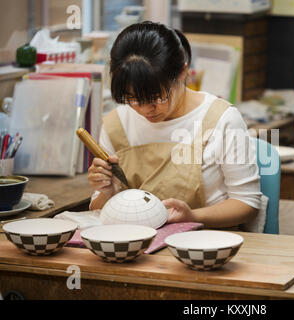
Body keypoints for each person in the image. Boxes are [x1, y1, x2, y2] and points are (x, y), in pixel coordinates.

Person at [87, 21, 261, 228]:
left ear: (182, 72)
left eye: (155, 97)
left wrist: (193, 217)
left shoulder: (221, 119)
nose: (144, 109)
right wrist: (106, 191)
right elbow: (97, 209)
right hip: (135, 247)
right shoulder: (116, 124)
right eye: (132, 98)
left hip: (206, 244)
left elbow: (247, 203)